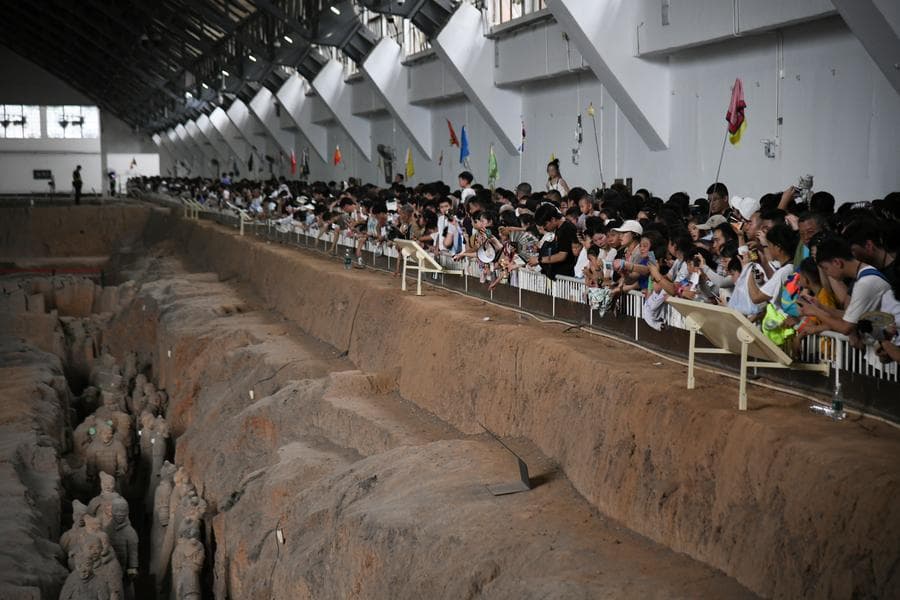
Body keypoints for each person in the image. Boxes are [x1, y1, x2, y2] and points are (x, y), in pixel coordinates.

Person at [800, 236, 892, 339]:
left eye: (826, 268)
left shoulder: (865, 283)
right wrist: (820, 307)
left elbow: (845, 327)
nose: (827, 274)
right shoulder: (866, 274)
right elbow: (848, 315)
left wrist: (815, 312)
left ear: (837, 263)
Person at [527, 203, 578, 279]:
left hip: (565, 277)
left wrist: (539, 260)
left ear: (553, 219)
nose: (544, 228)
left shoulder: (566, 229)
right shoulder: (559, 229)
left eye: (545, 224)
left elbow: (562, 255)